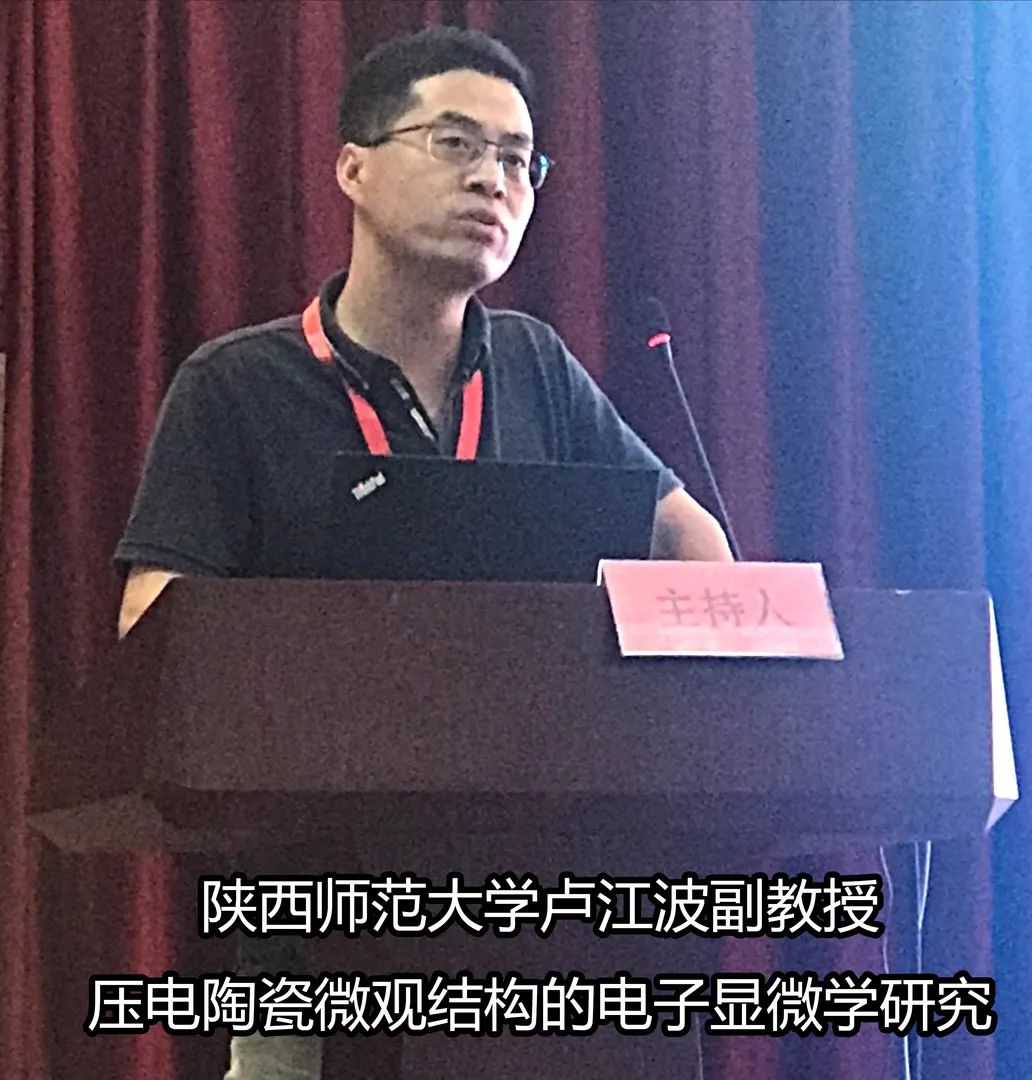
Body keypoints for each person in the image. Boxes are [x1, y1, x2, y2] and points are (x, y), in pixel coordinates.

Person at [115, 25, 732, 1080]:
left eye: (518, 159)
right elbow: (155, 634)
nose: (493, 180)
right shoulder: (236, 387)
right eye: (456, 144)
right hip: (315, 922)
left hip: (542, 916)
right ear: (353, 168)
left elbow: (695, 552)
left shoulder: (536, 366)